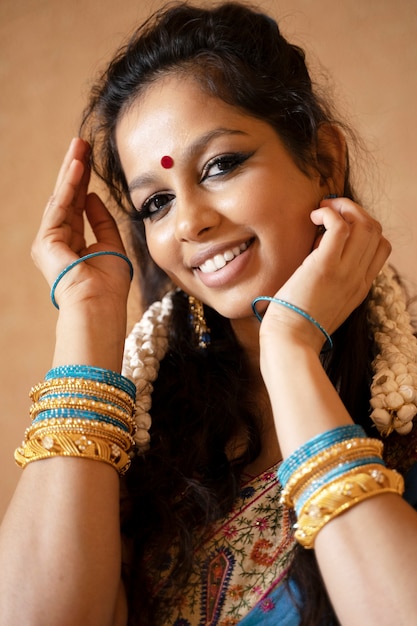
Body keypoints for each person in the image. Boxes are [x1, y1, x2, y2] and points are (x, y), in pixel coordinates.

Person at [1, 2, 417, 624]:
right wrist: (87, 318)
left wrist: (290, 349)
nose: (191, 221)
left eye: (221, 165)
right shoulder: (149, 437)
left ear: (325, 159)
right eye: (157, 203)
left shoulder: (403, 396)